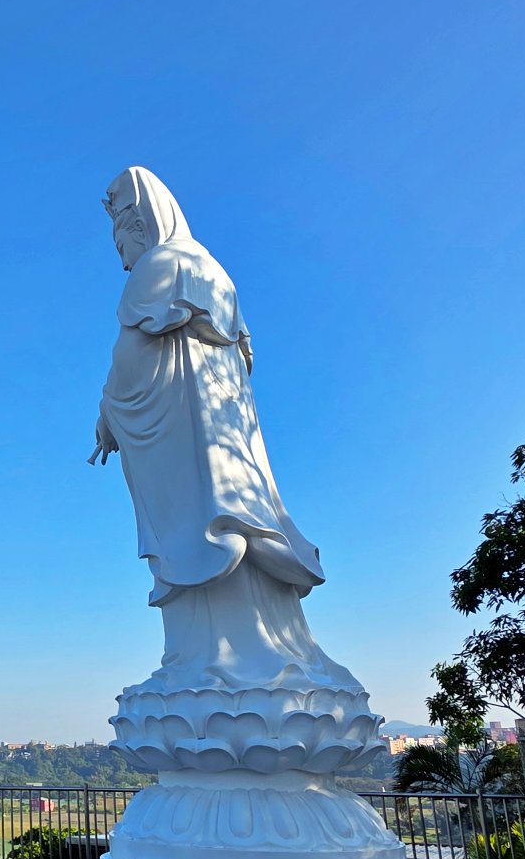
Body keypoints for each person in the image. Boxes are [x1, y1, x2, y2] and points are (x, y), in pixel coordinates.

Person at [94, 167, 360, 693]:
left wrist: (108, 409)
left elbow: (133, 350)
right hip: (227, 451)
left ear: (141, 225)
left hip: (192, 451)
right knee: (228, 537)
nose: (119, 253)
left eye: (119, 236)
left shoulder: (162, 264)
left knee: (201, 538)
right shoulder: (214, 273)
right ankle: (264, 664)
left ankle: (214, 670)